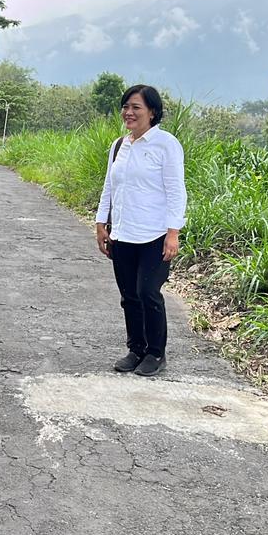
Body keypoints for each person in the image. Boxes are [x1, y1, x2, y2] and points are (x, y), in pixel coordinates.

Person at [94, 84, 186, 377]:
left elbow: (176, 191)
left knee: (148, 293)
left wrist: (173, 232)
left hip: (154, 235)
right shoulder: (119, 146)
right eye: (126, 107)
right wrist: (100, 223)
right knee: (129, 296)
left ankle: (155, 353)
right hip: (122, 233)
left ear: (152, 112)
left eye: (136, 107)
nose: (129, 112)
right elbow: (109, 187)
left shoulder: (166, 144)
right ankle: (136, 349)